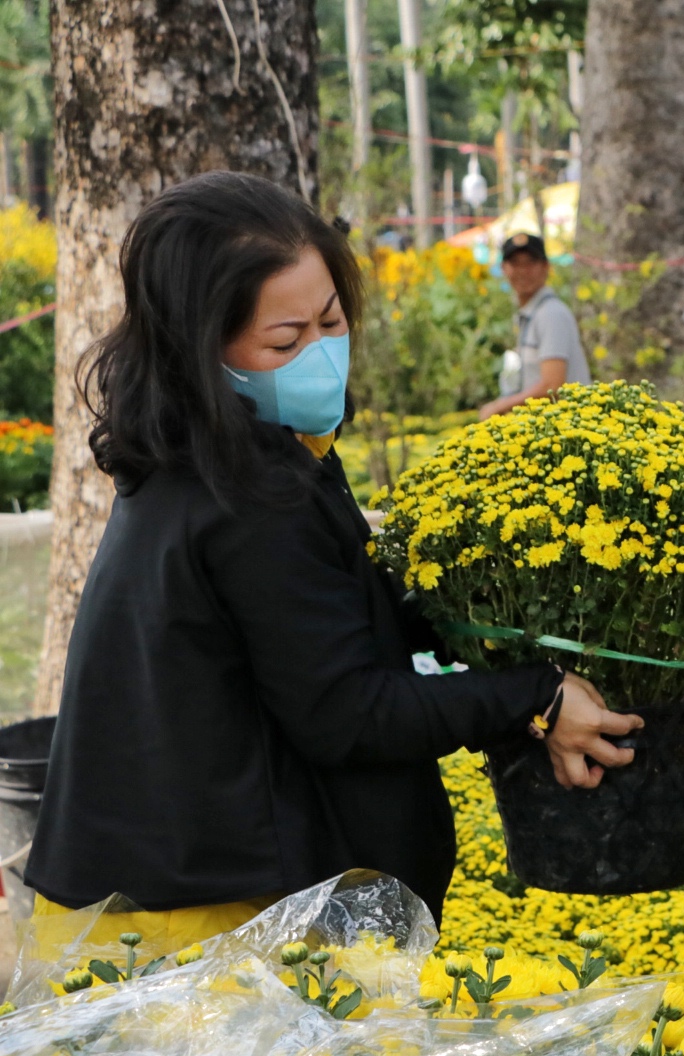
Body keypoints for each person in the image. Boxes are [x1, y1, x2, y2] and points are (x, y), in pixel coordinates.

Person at [25, 171, 640, 933]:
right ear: (201, 348)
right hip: (200, 926)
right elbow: (347, 714)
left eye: (332, 320)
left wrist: (481, 606)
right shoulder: (245, 497)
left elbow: (324, 621)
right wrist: (535, 695)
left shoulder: (226, 458)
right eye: (286, 339)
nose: (321, 352)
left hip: (183, 893)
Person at [477, 232, 590, 419]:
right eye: (515, 264)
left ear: (546, 267)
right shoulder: (531, 313)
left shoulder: (550, 313)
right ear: (504, 268)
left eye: (530, 263)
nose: (523, 271)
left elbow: (553, 385)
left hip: (568, 432)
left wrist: (499, 407)